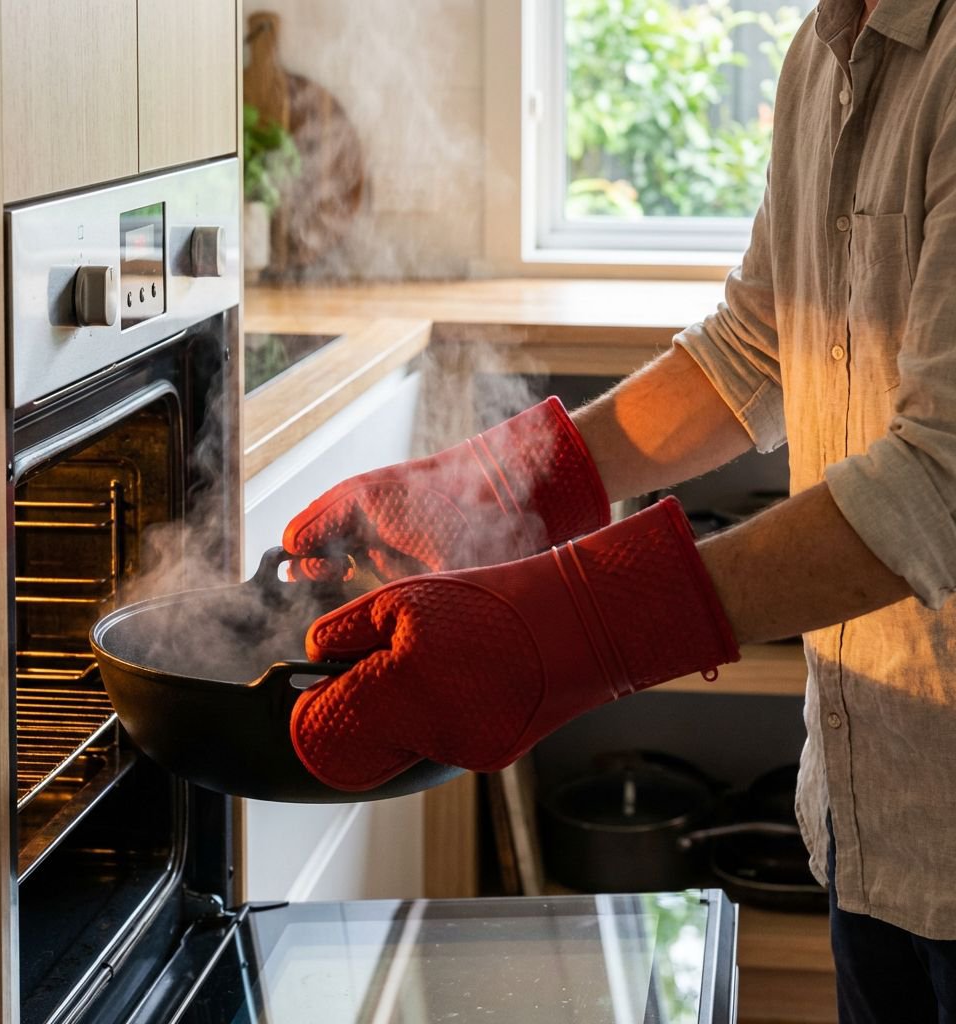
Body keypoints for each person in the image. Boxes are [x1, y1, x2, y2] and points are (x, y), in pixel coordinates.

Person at [281, 0, 956, 1018]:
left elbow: (940, 478)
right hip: (879, 815)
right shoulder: (826, 51)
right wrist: (500, 491)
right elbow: (760, 343)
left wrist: (562, 632)